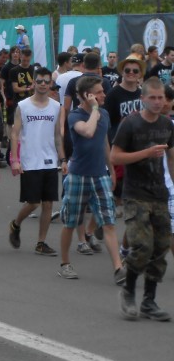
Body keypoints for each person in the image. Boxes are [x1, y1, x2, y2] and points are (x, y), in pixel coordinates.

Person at [110, 76, 174, 321]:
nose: (158, 102)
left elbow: (171, 158)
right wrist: (146, 153)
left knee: (160, 248)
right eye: (153, 98)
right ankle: (128, 292)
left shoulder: (167, 125)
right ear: (143, 98)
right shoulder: (131, 124)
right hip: (135, 194)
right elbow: (115, 157)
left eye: (161, 98)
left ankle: (149, 300)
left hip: (159, 194)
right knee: (142, 246)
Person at [57, 76, 124, 284]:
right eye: (99, 92)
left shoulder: (103, 113)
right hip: (78, 176)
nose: (104, 95)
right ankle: (65, 263)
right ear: (88, 95)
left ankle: (118, 268)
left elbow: (103, 142)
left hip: (100, 176)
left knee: (109, 222)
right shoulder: (75, 116)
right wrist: (94, 109)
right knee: (71, 222)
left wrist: (111, 169)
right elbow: (87, 132)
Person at [7, 67, 62, 257]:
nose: (43, 84)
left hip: (49, 161)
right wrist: (15, 160)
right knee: (33, 203)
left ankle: (41, 242)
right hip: (30, 161)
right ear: (34, 83)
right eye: (40, 81)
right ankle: (15, 224)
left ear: (51, 84)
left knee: (48, 203)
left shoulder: (56, 106)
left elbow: (58, 135)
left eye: (47, 81)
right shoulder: (23, 106)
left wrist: (62, 158)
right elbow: (15, 134)